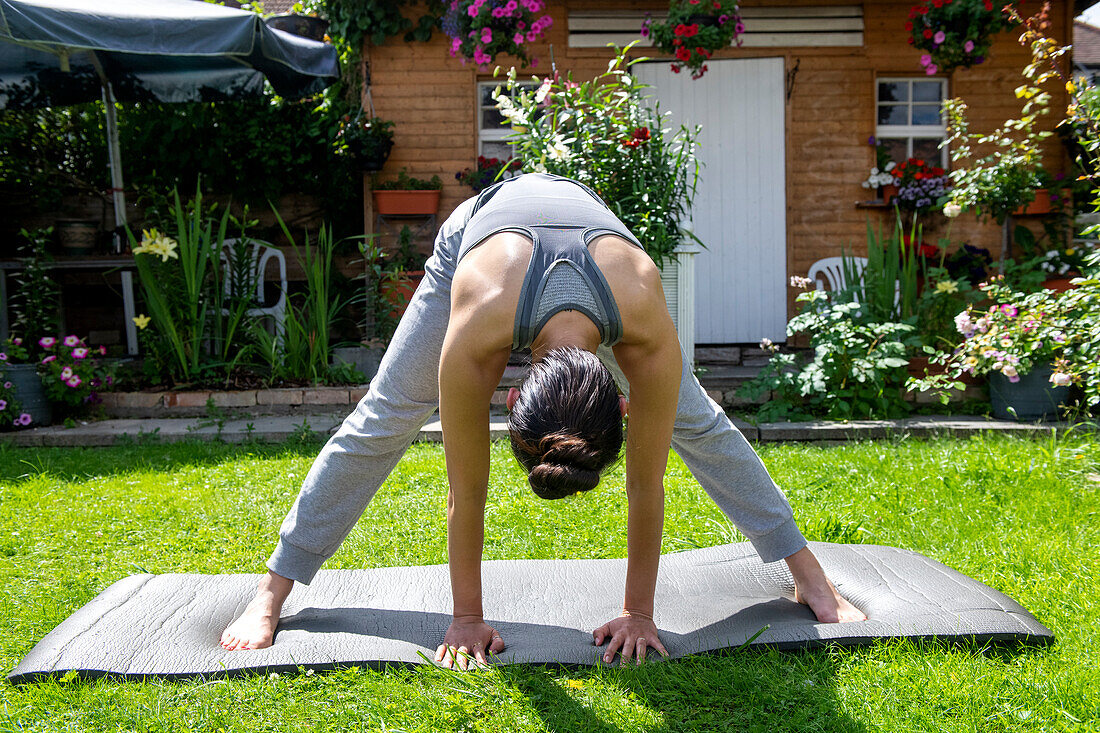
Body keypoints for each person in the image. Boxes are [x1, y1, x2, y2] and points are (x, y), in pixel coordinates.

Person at [220, 173, 865, 666]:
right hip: (477, 240)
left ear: (620, 398)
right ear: (509, 398)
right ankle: (272, 591)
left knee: (699, 423)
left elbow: (650, 484)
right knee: (386, 417)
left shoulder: (643, 322)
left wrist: (639, 613)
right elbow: (464, 489)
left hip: (599, 243)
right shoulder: (477, 330)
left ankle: (809, 575)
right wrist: (466, 618)